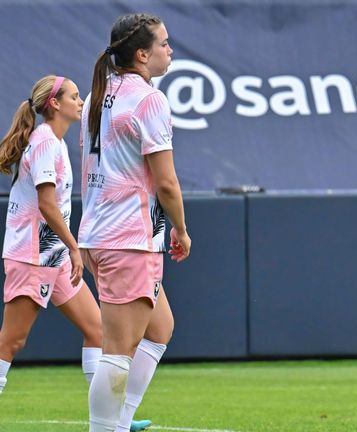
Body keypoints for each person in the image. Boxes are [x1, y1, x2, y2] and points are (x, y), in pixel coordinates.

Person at [80, 13, 191, 432]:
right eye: (164, 43)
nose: (170, 49)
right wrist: (180, 229)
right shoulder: (149, 99)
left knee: (161, 327)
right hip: (127, 237)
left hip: (98, 233)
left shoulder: (96, 94)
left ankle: (121, 422)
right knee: (117, 352)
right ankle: (105, 429)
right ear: (142, 54)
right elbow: (166, 182)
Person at [0, 75, 104, 395]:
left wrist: (67, 249)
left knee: (97, 329)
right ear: (55, 104)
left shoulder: (54, 141)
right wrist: (74, 248)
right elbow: (47, 205)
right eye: (74, 96)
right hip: (32, 255)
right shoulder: (45, 141)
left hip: (53, 256)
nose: (81, 102)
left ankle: (110, 419)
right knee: (11, 342)